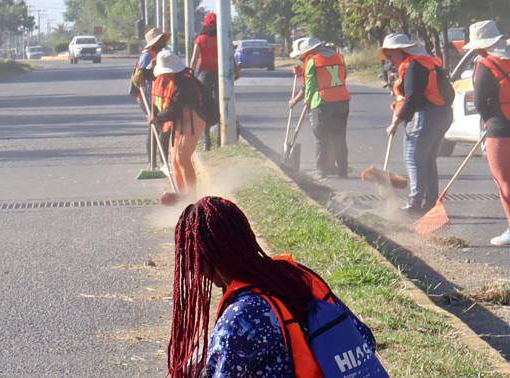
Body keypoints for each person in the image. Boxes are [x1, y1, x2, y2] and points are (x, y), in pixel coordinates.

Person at [167, 196, 381, 377]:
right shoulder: (297, 276)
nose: (193, 272)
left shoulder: (240, 318)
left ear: (206, 259)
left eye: (191, 263)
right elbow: (366, 340)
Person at [381, 33, 453, 214]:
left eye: (391, 55)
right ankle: (430, 202)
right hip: (441, 114)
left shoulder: (413, 66)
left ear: (401, 51)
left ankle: (415, 203)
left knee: (413, 157)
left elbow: (413, 99)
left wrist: (396, 122)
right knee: (427, 159)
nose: (390, 60)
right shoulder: (425, 62)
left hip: (426, 116)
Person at [464, 20, 510, 245]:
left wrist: (486, 121)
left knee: (505, 181)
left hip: (500, 129)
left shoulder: (485, 65)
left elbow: (480, 102)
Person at [289, 37, 351, 178]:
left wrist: (307, 101)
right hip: (342, 100)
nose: (302, 58)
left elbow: (309, 87)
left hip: (322, 103)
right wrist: (302, 73)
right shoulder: (339, 57)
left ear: (309, 51)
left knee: (321, 138)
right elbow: (342, 76)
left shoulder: (313, 61)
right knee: (339, 137)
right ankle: (343, 171)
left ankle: (321, 171)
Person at [151, 50, 207, 194]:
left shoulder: (184, 84)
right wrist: (140, 72)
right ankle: (181, 194)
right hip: (181, 120)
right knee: (175, 161)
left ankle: (192, 196)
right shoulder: (172, 78)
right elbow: (149, 76)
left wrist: (157, 118)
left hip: (195, 119)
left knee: (182, 158)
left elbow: (174, 109)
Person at [132, 27, 171, 164]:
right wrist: (150, 103)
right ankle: (157, 163)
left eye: (163, 39)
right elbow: (140, 79)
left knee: (160, 127)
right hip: (147, 96)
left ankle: (161, 163)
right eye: (160, 40)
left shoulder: (162, 53)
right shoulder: (147, 56)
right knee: (157, 127)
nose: (163, 41)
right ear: (154, 42)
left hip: (160, 95)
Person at [190, 12, 219, 151]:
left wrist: (190, 74)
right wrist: (236, 72)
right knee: (220, 106)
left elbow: (194, 59)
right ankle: (220, 138)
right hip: (220, 75)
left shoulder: (200, 39)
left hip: (204, 76)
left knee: (204, 107)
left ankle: (207, 140)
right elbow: (231, 58)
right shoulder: (223, 39)